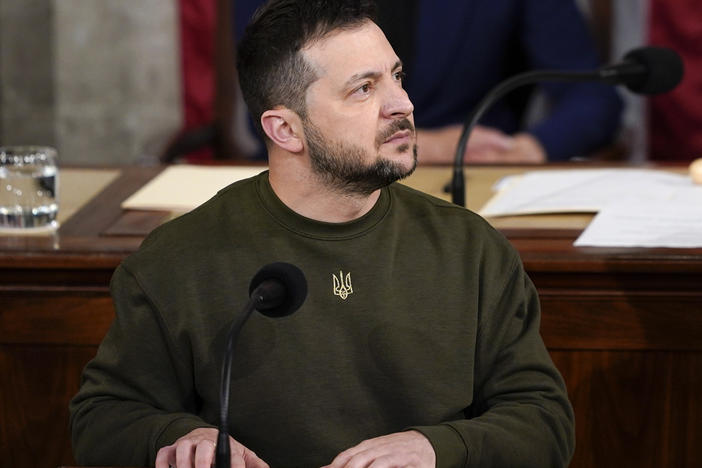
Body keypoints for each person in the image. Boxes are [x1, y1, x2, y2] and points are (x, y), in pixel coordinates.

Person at [70, 1, 575, 467]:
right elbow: (104, 418)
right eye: (364, 88)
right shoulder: (179, 258)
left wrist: (436, 447)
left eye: (397, 77)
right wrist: (178, 437)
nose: (402, 104)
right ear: (285, 130)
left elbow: (544, 421)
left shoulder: (472, 249)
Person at [230, 0, 623, 164]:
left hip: (471, 181)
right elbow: (269, 103)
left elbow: (592, 95)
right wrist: (424, 145)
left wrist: (528, 149)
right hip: (320, 175)